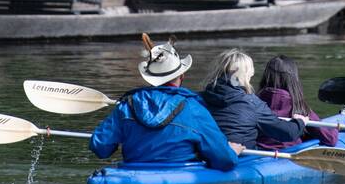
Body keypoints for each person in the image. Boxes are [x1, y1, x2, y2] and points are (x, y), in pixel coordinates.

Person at [90, 36, 242, 171]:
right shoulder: (194, 108)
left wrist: (123, 136)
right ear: (181, 75)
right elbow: (224, 161)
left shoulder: (126, 106)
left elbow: (100, 148)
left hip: (133, 175)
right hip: (178, 178)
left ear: (149, 78)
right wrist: (232, 152)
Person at [201, 50, 314, 150]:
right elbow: (287, 133)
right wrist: (300, 122)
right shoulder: (252, 103)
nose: (253, 73)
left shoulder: (202, 96)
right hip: (242, 157)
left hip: (210, 151)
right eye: (251, 70)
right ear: (244, 75)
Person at [256, 55, 338, 148]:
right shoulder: (298, 106)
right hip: (289, 153)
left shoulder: (252, 101)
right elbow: (331, 139)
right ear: (293, 79)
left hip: (255, 153)